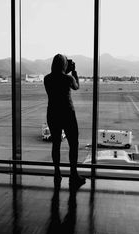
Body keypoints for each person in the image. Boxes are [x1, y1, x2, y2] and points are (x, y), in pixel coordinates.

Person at [44, 54, 86, 189]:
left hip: (52, 113)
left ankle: (57, 173)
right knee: (73, 144)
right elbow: (77, 86)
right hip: (67, 113)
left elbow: (58, 78)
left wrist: (65, 71)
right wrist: (74, 71)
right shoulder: (68, 78)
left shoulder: (47, 78)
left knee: (55, 144)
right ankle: (73, 175)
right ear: (64, 65)